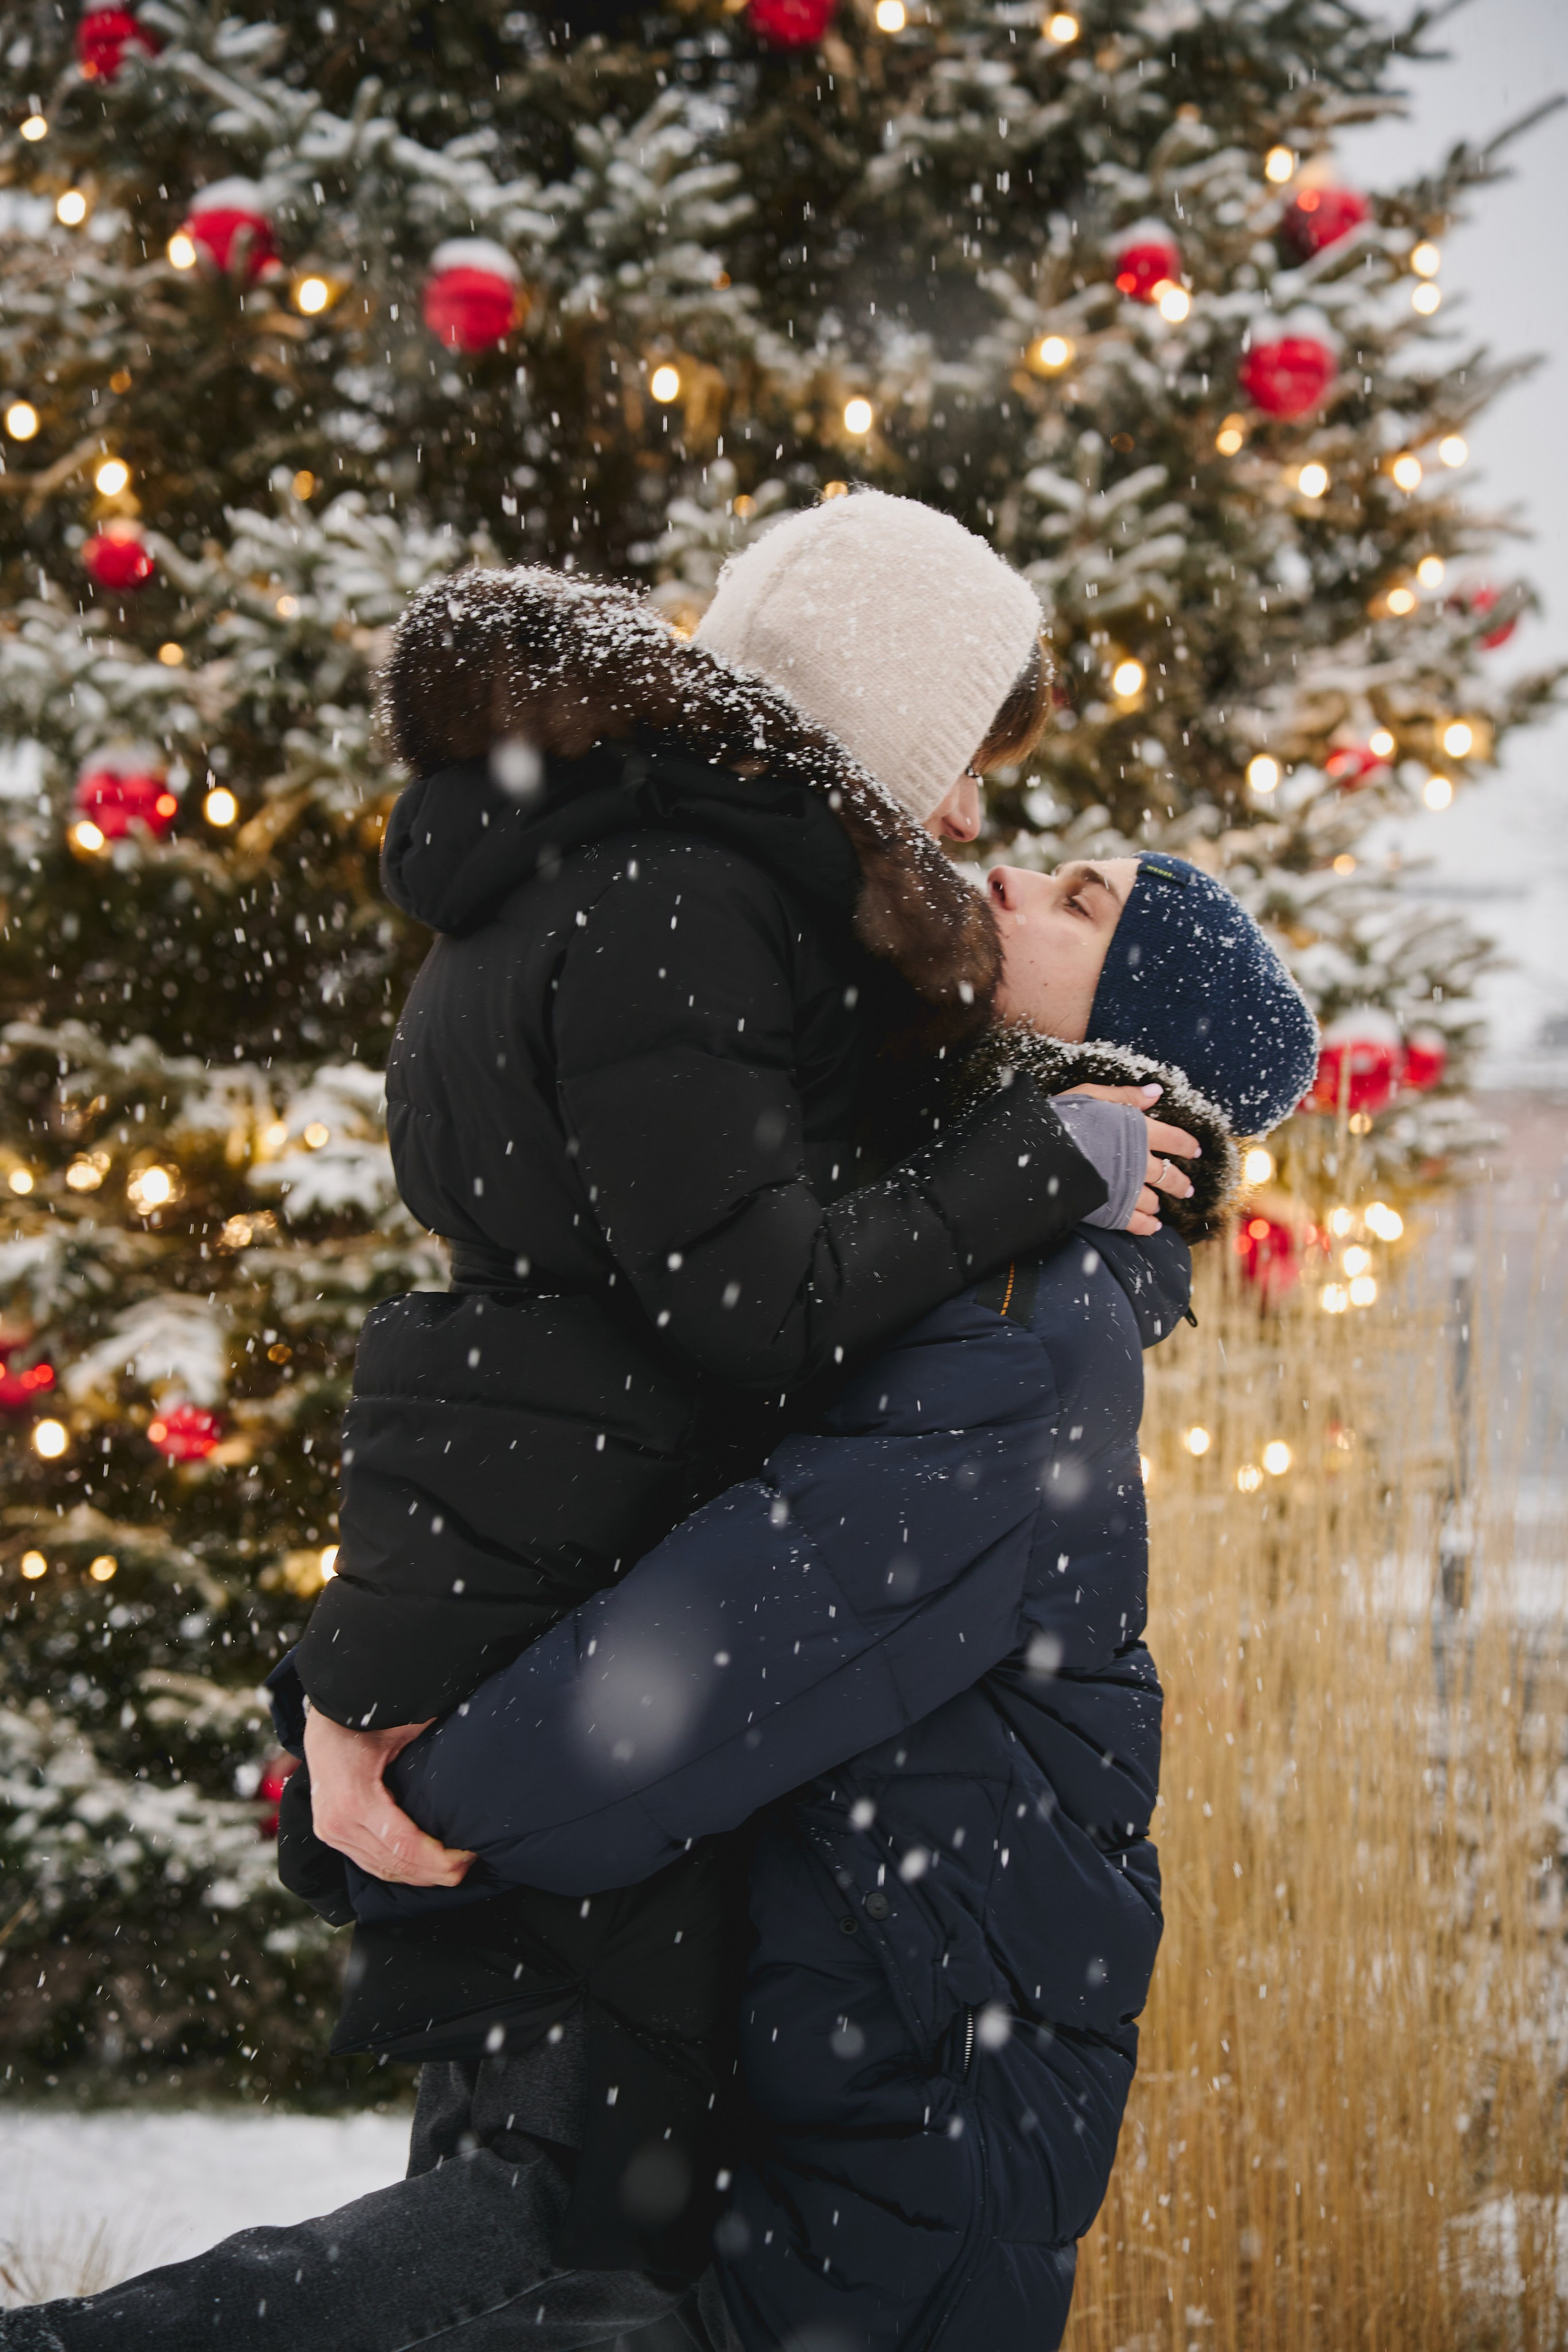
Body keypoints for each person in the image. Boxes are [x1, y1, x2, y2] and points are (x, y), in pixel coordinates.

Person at [0, 499, 1199, 2352]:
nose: (972, 827)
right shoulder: (688, 902)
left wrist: (375, 1693)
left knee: (537, 2224)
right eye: (965, 762)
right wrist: (1040, 1161)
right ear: (887, 714)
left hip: (530, 1594)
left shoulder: (630, 874)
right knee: (548, 2230)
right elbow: (748, 1310)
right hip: (554, 1615)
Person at [307, 851, 1320, 2352]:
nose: (1009, 872)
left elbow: (703, 1665)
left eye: (1078, 903)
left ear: (1136, 1042)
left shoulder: (1025, 1326)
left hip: (872, 2173)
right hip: (809, 2104)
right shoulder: (932, 1247)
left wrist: (392, 1814)